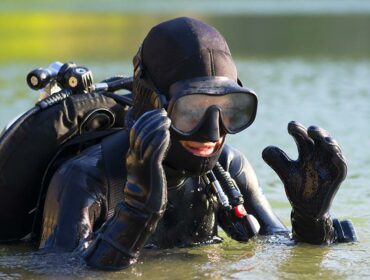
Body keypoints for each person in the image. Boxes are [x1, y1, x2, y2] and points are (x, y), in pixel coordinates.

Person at [39, 17, 356, 270]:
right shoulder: (85, 179)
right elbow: (62, 271)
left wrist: (311, 222)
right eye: (191, 110)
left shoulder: (229, 168)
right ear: (153, 102)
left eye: (231, 110)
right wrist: (137, 211)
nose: (212, 132)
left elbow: (276, 248)